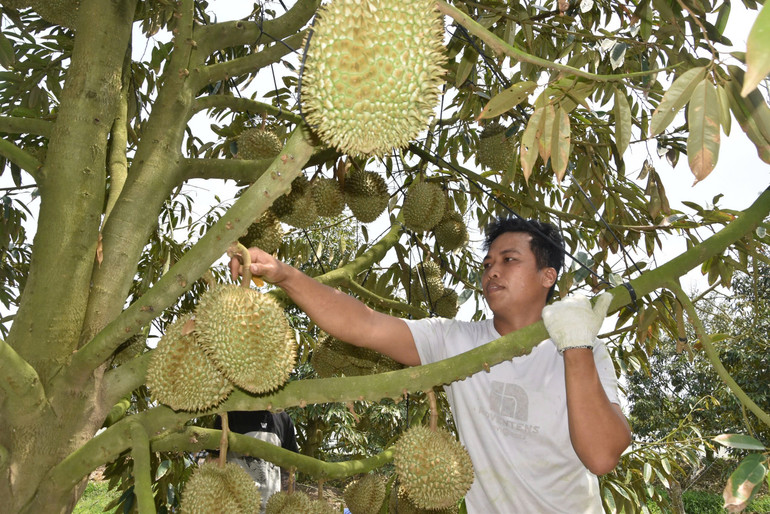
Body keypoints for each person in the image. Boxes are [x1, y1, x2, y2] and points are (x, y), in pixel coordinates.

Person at [230, 216, 631, 513]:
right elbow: (365, 324)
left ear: (548, 276)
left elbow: (601, 457)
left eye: (509, 260)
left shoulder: (583, 347)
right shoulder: (458, 341)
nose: (492, 269)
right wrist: (285, 275)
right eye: (488, 262)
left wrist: (575, 346)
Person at [211, 410, 298, 513]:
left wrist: (287, 503)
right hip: (236, 507)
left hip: (271, 508)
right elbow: (215, 459)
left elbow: (288, 469)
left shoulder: (283, 419)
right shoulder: (230, 414)